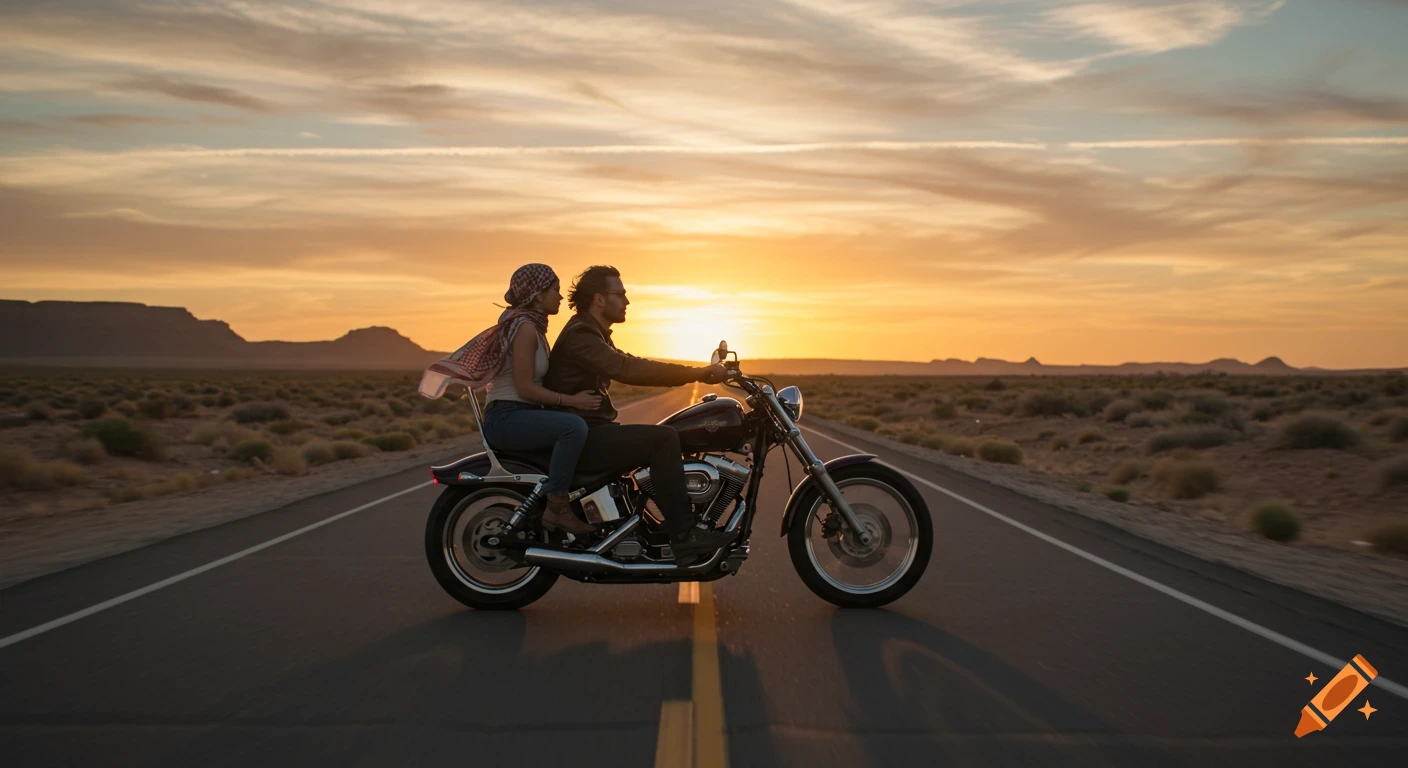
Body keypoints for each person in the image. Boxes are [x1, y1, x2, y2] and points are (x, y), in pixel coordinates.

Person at [544, 265, 733, 564]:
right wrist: (697, 374)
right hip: (584, 435)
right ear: (599, 299)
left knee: (661, 436)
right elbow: (627, 369)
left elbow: (627, 361)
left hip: (588, 429)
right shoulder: (581, 335)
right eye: (620, 294)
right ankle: (684, 536)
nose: (627, 301)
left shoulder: (592, 332)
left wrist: (697, 371)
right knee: (663, 439)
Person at [419, 264, 601, 535]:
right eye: (555, 290)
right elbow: (525, 388)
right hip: (508, 417)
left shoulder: (532, 327)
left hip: (518, 415)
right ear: (538, 295)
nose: (560, 297)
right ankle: (558, 509)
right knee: (572, 427)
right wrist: (572, 400)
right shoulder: (524, 328)